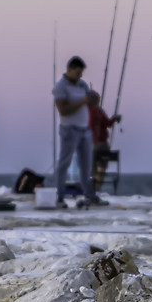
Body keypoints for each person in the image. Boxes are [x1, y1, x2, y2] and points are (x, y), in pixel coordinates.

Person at [52, 56, 94, 197]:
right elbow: (63, 110)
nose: (79, 76)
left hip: (85, 130)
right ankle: (59, 195)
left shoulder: (82, 85)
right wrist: (82, 101)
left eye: (81, 73)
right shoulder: (60, 87)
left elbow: (91, 102)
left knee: (86, 165)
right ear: (69, 70)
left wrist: (92, 98)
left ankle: (89, 195)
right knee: (65, 163)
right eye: (77, 73)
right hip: (69, 130)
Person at [86, 92, 121, 195]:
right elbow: (108, 124)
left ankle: (92, 191)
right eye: (97, 99)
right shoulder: (97, 111)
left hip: (88, 144)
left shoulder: (83, 112)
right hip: (100, 144)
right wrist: (115, 118)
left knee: (92, 169)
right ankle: (95, 191)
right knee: (100, 169)